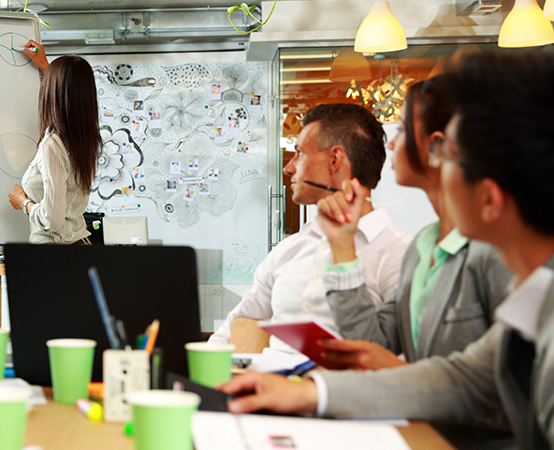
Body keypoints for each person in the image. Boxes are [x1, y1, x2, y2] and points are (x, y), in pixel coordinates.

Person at [219, 51, 554, 450]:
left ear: (489, 198)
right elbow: (463, 377)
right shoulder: (532, 296)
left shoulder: (489, 270)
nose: (436, 169)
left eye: (447, 156)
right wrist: (312, 392)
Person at [314, 78, 513, 448]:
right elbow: (370, 342)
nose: (390, 142)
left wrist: (403, 374)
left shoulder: (494, 251)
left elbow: (514, 393)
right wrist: (342, 244)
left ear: (437, 146)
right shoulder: (423, 246)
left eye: (402, 130)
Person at [209, 104, 410, 349]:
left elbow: (393, 356)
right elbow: (238, 323)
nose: (288, 168)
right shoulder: (290, 248)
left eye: (299, 153)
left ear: (335, 160)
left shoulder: (400, 255)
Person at [7, 40, 102, 244]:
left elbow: (53, 221)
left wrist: (23, 203)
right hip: (76, 249)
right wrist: (45, 65)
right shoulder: (86, 138)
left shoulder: (53, 144)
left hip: (55, 257)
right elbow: (70, 97)